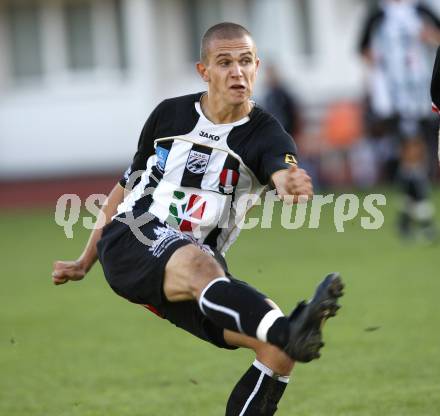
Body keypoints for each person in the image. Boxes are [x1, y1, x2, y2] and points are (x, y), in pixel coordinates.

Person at [51, 23, 343, 415]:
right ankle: (291, 331)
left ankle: (285, 335)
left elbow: (280, 168)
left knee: (274, 344)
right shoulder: (168, 115)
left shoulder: (267, 134)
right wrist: (85, 259)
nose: (237, 72)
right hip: (132, 236)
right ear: (204, 71)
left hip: (198, 267)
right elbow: (126, 186)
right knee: (215, 277)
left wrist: (288, 181)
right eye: (224, 63)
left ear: (257, 66)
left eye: (244, 62)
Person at [359, 0, 440, 240]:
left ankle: (406, 218)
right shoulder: (378, 15)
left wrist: (430, 37)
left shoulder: (421, 10)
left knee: (416, 158)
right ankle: (425, 218)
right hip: (395, 98)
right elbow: (363, 49)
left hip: (424, 91)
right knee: (411, 151)